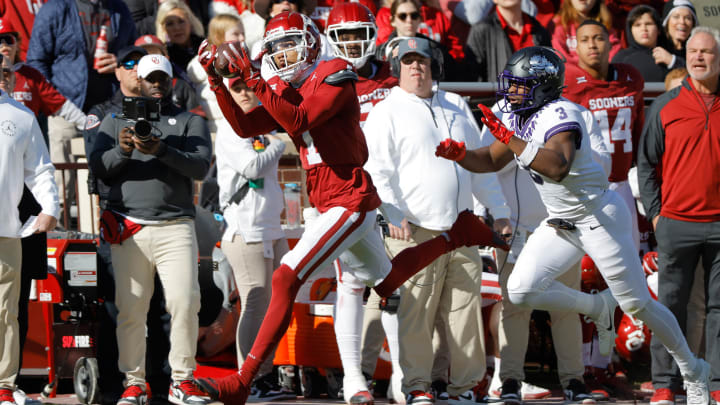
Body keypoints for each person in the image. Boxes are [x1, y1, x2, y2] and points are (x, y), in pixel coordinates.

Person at [194, 11, 507, 404]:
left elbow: (300, 116)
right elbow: (245, 125)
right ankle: (456, 235)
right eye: (275, 47)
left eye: (290, 43)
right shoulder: (296, 86)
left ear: (310, 41)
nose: (283, 54)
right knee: (389, 280)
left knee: (285, 277)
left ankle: (244, 379)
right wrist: (217, 82)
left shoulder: (336, 70)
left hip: (348, 196)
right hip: (330, 198)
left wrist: (255, 78)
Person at [434, 45, 711, 405]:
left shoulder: (563, 113)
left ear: (543, 87)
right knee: (518, 290)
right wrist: (462, 156)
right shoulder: (523, 116)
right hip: (562, 222)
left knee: (638, 305)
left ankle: (693, 370)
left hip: (598, 217)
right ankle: (596, 307)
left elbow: (558, 166)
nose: (511, 92)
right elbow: (488, 159)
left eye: (519, 85)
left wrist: (509, 138)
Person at [363, 36, 512, 405]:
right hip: (414, 228)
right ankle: (416, 386)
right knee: (416, 313)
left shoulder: (457, 105)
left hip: (461, 228)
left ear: (435, 66)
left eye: (423, 61)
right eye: (408, 61)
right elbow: (376, 170)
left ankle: (466, 388)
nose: (417, 67)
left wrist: (500, 210)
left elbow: (480, 165)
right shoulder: (386, 110)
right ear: (397, 68)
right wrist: (392, 213)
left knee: (465, 312)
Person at [88, 53, 212, 405]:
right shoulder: (113, 121)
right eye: (150, 78)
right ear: (137, 81)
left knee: (186, 302)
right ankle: (134, 381)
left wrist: (160, 149)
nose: (157, 84)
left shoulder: (191, 120)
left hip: (176, 225)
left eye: (163, 77)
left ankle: (183, 380)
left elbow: (200, 168)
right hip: (130, 226)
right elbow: (99, 167)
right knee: (131, 308)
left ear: (172, 80)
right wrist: (123, 151)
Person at [637, 26, 720, 405]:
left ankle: (716, 383)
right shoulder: (665, 105)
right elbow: (647, 165)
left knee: (719, 308)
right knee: (669, 308)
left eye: (707, 52)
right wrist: (656, 216)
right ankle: (665, 383)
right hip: (676, 224)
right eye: (694, 52)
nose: (699, 58)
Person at [325, 3, 403, 403]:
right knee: (351, 284)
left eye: (358, 34)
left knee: (397, 286)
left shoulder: (394, 80)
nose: (353, 43)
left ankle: (404, 376)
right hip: (349, 194)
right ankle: (353, 376)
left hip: (398, 196)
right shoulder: (323, 80)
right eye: (344, 35)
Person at [214, 76, 294, 401]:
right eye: (237, 89)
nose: (245, 93)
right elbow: (251, 167)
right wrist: (278, 144)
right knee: (254, 304)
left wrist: (273, 139)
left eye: (249, 87)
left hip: (272, 229)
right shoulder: (231, 128)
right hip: (245, 230)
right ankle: (251, 378)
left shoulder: (261, 128)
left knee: (278, 305)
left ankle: (267, 374)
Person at [26, 0, 136, 209]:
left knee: (110, 168)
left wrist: (120, 62)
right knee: (62, 176)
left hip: (109, 109)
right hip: (65, 108)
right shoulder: (56, 8)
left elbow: (132, 52)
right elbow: (36, 61)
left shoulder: (119, 8)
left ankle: (109, 219)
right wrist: (55, 101)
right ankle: (58, 227)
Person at [0, 53, 59, 405]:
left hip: (6, 230)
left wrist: (50, 207)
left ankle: (4, 385)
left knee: (6, 311)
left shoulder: (21, 116)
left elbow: (39, 169)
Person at [463, 0, 550, 83]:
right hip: (496, 97)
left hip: (536, 96)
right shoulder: (481, 30)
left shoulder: (539, 31)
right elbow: (473, 77)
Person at [187, 13, 246, 134]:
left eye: (243, 33)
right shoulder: (200, 68)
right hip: (215, 133)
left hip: (244, 130)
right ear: (219, 36)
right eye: (236, 34)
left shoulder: (245, 63)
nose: (242, 38)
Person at [611, 5, 675, 83]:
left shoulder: (670, 55)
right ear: (630, 31)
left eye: (649, 24)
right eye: (637, 25)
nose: (644, 29)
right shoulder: (621, 59)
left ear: (658, 29)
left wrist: (672, 62)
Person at [549, 0, 621, 67]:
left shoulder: (606, 24)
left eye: (599, 38)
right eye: (584, 40)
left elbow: (614, 51)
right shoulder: (559, 24)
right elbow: (560, 55)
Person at [155, 0, 205, 73]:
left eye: (181, 21)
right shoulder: (165, 59)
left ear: (190, 21)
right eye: (170, 24)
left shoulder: (207, 46)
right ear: (163, 28)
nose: (177, 28)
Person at [656, 0, 697, 73]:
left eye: (688, 18)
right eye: (676, 17)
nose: (682, 22)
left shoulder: (698, 51)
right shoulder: (656, 46)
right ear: (666, 22)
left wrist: (673, 61)